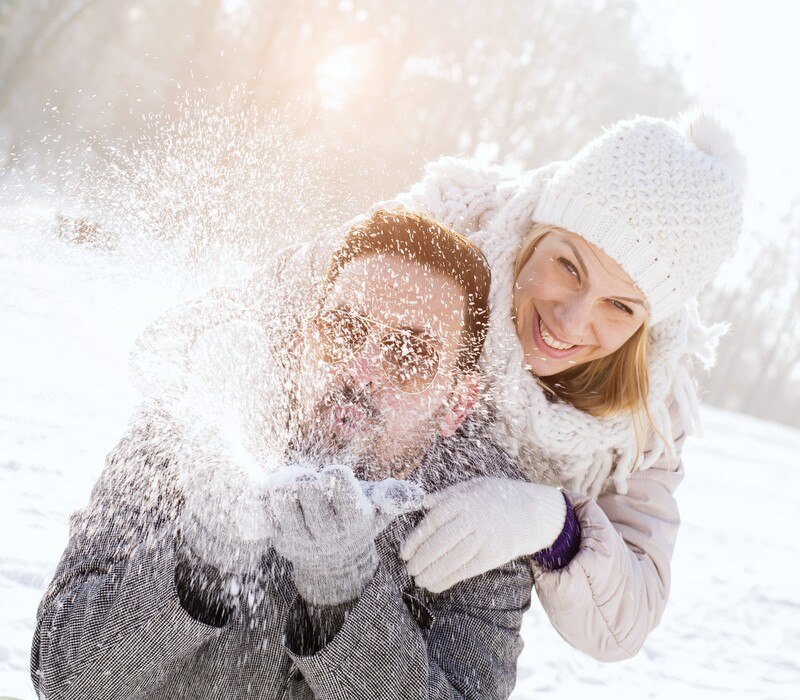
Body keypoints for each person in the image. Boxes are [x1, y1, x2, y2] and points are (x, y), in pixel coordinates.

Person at [249, 111, 745, 663]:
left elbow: (624, 621)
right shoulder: (444, 234)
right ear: (539, 231)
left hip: (418, 622)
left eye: (620, 305)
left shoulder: (646, 409)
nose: (572, 321)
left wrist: (554, 524)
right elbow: (255, 309)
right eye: (569, 267)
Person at [31, 210, 537, 699]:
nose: (361, 372)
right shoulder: (198, 425)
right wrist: (204, 560)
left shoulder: (482, 528)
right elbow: (63, 677)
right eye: (344, 331)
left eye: (409, 354)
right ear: (304, 342)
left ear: (457, 403)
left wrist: (343, 595)